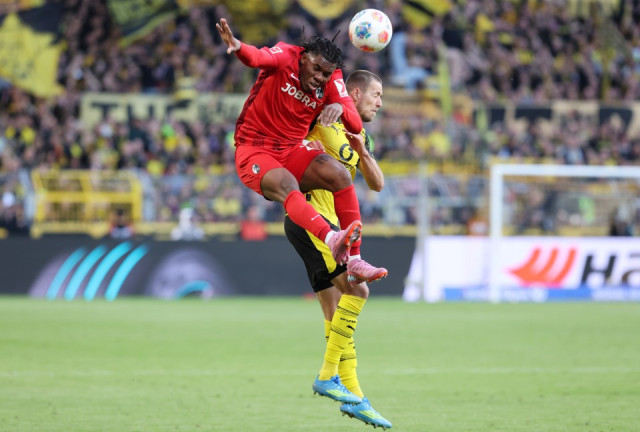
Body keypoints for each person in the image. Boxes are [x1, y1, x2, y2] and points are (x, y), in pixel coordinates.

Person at [216, 18, 387, 291]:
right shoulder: (286, 55)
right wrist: (237, 46)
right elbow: (257, 57)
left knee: (339, 175)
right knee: (287, 183)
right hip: (254, 148)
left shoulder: (333, 79)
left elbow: (356, 124)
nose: (320, 77)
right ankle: (331, 238)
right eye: (316, 69)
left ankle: (354, 261)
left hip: (291, 149)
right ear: (304, 58)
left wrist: (342, 107)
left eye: (326, 74)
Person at [284, 70, 391, 429]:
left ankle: (354, 397)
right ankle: (330, 376)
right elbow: (290, 136)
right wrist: (320, 115)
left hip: (332, 227)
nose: (380, 102)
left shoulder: (360, 135)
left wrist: (363, 152)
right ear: (354, 93)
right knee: (358, 291)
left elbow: (377, 184)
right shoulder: (323, 117)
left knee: (336, 314)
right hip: (315, 220)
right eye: (376, 94)